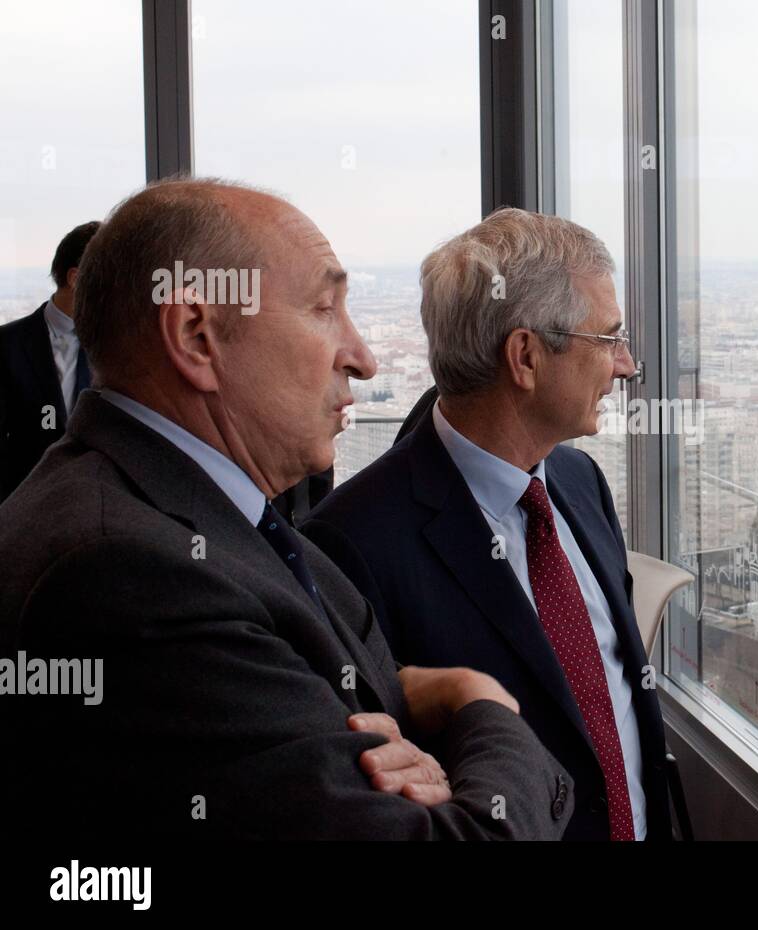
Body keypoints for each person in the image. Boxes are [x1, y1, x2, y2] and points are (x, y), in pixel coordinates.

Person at [0, 180, 572, 840]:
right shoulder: (125, 577)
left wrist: (402, 705)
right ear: (196, 335)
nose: (362, 357)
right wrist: (480, 706)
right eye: (324, 309)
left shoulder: (195, 512)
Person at [303, 208, 670, 841]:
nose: (626, 366)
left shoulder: (581, 485)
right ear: (525, 356)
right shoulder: (349, 545)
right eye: (608, 339)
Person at [0, 221, 99, 500]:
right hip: (25, 507)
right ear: (76, 278)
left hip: (103, 510)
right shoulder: (7, 345)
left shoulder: (124, 345)